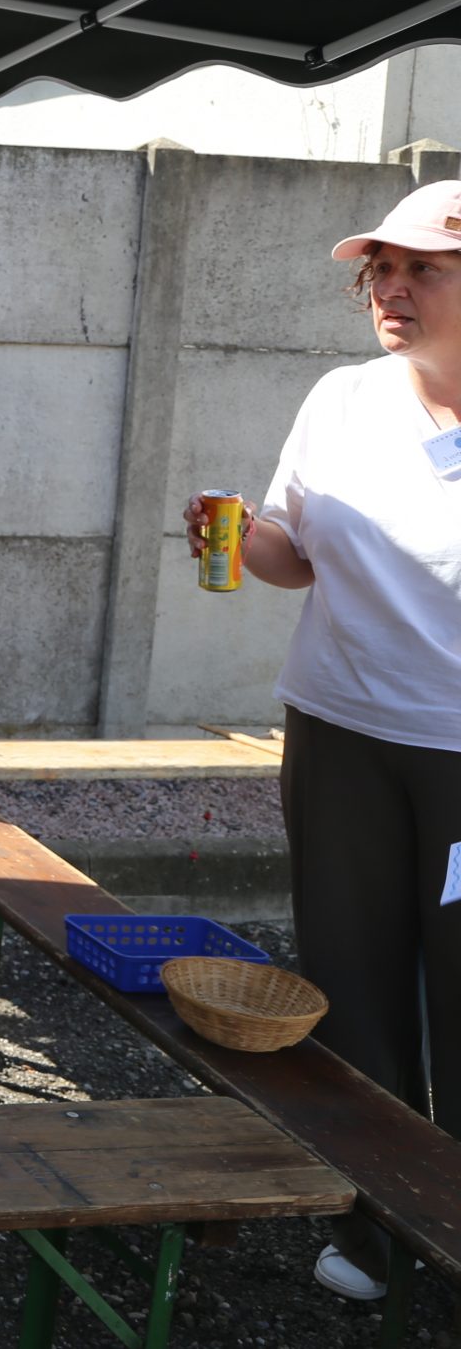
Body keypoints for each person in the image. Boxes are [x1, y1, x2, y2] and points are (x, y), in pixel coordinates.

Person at [186, 177, 461, 1305]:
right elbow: (294, 552)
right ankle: (375, 1222)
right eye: (379, 271)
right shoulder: (342, 398)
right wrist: (238, 535)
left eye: (423, 269)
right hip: (338, 725)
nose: (390, 289)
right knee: (348, 980)